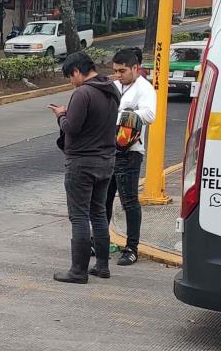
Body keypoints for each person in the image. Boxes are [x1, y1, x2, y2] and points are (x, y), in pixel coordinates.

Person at [49, 51, 122, 284]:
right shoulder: (112, 89)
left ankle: (78, 271)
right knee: (99, 213)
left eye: (71, 76)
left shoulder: (83, 93)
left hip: (82, 162)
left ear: (77, 71)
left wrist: (61, 115)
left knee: (79, 216)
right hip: (106, 160)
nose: (72, 81)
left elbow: (72, 127)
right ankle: (102, 266)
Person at [106, 47, 157, 266]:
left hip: (129, 153)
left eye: (122, 71)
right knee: (103, 200)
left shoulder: (144, 89)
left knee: (129, 202)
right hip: (108, 151)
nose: (118, 75)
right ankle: (100, 240)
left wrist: (122, 114)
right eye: (115, 71)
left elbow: (149, 115)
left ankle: (132, 247)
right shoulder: (115, 86)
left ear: (136, 68)